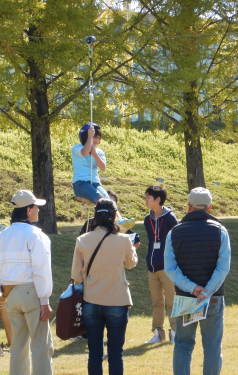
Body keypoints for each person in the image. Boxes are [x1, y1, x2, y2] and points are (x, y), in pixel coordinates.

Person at [164, 187, 231, 375]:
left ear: (189, 206)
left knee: (183, 345)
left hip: (186, 298)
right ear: (210, 207)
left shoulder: (174, 232)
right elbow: (223, 267)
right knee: (212, 348)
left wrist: (192, 288)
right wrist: (206, 291)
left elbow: (170, 268)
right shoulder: (220, 231)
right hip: (213, 297)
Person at [71, 198, 138, 375]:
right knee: (116, 353)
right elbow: (131, 264)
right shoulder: (123, 239)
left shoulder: (83, 239)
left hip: (91, 301)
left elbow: (76, 276)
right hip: (117, 300)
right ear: (115, 216)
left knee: (94, 353)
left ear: (94, 217)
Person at [0, 189, 54, 375]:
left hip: (10, 293)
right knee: (41, 345)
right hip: (31, 293)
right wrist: (44, 299)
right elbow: (41, 268)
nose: (37, 210)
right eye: (35, 207)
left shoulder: (3, 235)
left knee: (18, 347)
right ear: (28, 210)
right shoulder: (35, 234)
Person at [143, 185, 179, 344]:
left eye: (148, 197)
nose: (145, 200)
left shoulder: (171, 218)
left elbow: (177, 242)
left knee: (172, 302)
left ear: (158, 199)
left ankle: (176, 333)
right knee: (157, 302)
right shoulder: (147, 219)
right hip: (152, 268)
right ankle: (158, 333)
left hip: (167, 268)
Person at [72, 123, 109, 204]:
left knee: (109, 201)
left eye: (98, 138)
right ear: (86, 136)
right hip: (81, 183)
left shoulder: (99, 152)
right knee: (100, 201)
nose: (97, 140)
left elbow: (103, 168)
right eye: (94, 137)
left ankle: (106, 216)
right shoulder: (77, 148)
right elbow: (84, 153)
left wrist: (95, 154)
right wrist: (90, 136)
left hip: (95, 184)